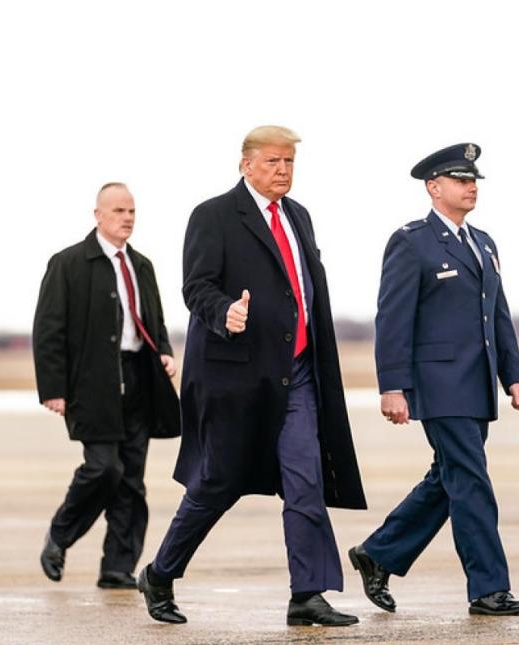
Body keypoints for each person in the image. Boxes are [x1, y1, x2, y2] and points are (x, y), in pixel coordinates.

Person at [136, 126, 367, 627]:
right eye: (272, 162)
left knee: (305, 479)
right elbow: (196, 286)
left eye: (288, 163)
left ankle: (307, 594)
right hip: (235, 377)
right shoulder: (214, 215)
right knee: (218, 483)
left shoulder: (299, 216)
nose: (282, 171)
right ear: (246, 164)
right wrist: (225, 314)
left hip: (298, 372)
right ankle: (159, 573)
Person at [347, 143, 519, 617]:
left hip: (477, 386)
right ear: (434, 187)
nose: (471, 187)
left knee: (447, 479)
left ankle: (379, 553)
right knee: (471, 481)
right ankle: (489, 589)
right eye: (459, 179)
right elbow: (392, 318)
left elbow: (499, 315)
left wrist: (513, 374)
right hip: (438, 385)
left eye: (474, 180)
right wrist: (392, 387)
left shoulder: (484, 242)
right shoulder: (412, 242)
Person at [32, 182, 180, 590]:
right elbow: (48, 330)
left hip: (139, 380)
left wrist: (163, 350)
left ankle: (117, 567)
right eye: (118, 211)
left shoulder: (143, 265)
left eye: (132, 211)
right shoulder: (69, 263)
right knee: (104, 468)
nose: (127, 218)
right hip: (92, 384)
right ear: (97, 215)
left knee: (131, 479)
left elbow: (155, 319)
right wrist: (53, 388)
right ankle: (60, 534)